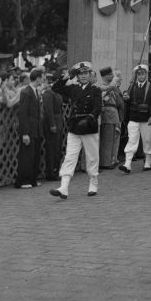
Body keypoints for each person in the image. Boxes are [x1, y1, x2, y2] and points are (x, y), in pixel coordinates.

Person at [50, 62, 102, 199]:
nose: (84, 76)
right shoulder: (73, 88)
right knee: (70, 157)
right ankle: (64, 187)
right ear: (77, 76)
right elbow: (55, 88)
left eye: (86, 73)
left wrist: (90, 118)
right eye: (80, 74)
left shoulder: (95, 90)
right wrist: (67, 76)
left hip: (89, 126)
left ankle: (93, 182)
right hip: (74, 127)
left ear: (90, 75)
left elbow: (97, 108)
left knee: (92, 157)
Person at [120, 64, 151, 173]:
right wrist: (126, 98)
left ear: (146, 74)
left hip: (146, 118)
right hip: (134, 117)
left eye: (143, 74)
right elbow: (128, 100)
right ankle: (127, 164)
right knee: (132, 140)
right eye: (139, 74)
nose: (141, 76)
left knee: (147, 140)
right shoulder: (132, 86)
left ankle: (148, 162)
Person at [14, 67, 45, 189]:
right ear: (37, 78)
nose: (43, 80)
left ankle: (32, 179)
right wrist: (24, 133)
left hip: (36, 129)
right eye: (42, 77)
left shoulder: (36, 91)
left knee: (35, 155)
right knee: (26, 156)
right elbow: (23, 113)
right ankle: (22, 181)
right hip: (29, 129)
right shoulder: (26, 92)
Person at [97, 67, 121, 170]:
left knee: (113, 138)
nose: (112, 76)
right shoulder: (102, 86)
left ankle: (112, 159)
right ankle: (105, 162)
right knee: (107, 139)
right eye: (111, 74)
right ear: (106, 76)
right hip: (108, 114)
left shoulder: (110, 87)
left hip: (113, 113)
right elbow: (102, 98)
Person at [41, 73, 64, 181]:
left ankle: (56, 170)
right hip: (53, 122)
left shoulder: (56, 92)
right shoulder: (48, 93)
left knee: (57, 149)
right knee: (51, 149)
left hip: (58, 121)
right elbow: (48, 110)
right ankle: (50, 172)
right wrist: (52, 124)